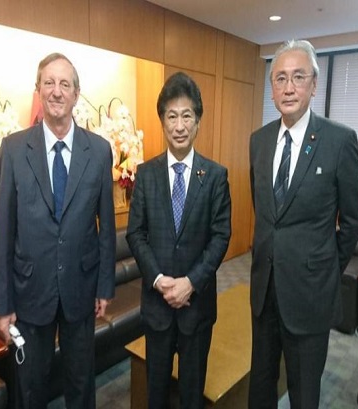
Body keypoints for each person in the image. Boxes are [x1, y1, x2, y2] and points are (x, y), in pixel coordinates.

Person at [0, 53, 116, 409]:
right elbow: (4, 232)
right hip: (29, 290)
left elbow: (106, 225)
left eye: (65, 84)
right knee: (30, 386)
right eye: (49, 82)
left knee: (80, 382)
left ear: (77, 94)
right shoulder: (14, 149)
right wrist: (2, 304)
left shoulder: (100, 151)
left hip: (81, 286)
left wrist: (105, 285)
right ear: (38, 90)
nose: (57, 91)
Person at [248, 39, 358, 409]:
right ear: (271, 88)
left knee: (303, 394)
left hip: (310, 294)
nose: (288, 87)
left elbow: (352, 219)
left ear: (314, 84)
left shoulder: (339, 140)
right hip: (265, 290)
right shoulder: (259, 141)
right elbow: (266, 211)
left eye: (298, 77)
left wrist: (326, 268)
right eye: (280, 78)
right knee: (261, 385)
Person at [126, 72, 231, 409]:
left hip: (196, 307)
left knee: (191, 394)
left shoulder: (215, 176)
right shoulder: (145, 174)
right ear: (162, 121)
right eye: (172, 116)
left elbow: (220, 236)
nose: (180, 124)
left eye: (187, 115)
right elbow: (135, 234)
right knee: (154, 392)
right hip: (157, 307)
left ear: (198, 121)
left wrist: (190, 282)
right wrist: (158, 280)